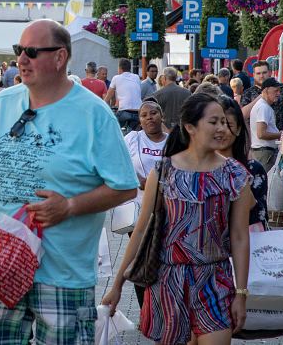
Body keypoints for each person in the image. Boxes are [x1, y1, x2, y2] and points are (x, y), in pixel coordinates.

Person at [0, 19, 138, 345]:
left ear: (60, 58)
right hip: (0, 264)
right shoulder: (2, 104)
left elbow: (124, 186)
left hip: (63, 274)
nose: (21, 60)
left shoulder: (94, 114)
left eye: (31, 52)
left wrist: (71, 206)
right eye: (20, 51)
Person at [102, 93, 253, 344]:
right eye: (213, 122)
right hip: (167, 284)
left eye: (224, 123)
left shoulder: (235, 174)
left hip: (215, 281)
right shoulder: (163, 171)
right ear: (190, 127)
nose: (222, 129)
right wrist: (117, 285)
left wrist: (241, 294)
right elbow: (141, 231)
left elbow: (239, 237)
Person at [122, 100, 168, 309]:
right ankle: (145, 311)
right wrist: (136, 179)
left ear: (161, 116)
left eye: (153, 113)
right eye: (144, 115)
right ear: (139, 120)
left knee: (162, 260)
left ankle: (162, 306)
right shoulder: (133, 138)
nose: (149, 117)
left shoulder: (173, 141)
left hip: (167, 211)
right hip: (138, 210)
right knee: (141, 259)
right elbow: (117, 161)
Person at [217, 96, 268, 231]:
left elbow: (259, 216)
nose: (220, 130)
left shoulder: (253, 169)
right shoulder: (195, 168)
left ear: (239, 129)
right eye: (213, 123)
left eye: (227, 124)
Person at [241, 61, 283, 131]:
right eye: (258, 73)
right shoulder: (248, 93)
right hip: (257, 136)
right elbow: (243, 115)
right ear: (253, 75)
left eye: (264, 73)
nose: (261, 76)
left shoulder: (281, 90)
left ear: (270, 72)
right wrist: (261, 98)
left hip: (278, 135)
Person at [250, 77, 283, 172]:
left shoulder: (263, 106)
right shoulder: (263, 107)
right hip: (264, 154)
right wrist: (280, 134)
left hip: (264, 153)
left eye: (279, 91)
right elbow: (261, 134)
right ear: (266, 90)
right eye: (276, 90)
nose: (278, 93)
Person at [106, 59, 143, 131]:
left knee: (114, 128)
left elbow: (108, 97)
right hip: (138, 111)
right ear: (130, 69)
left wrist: (103, 106)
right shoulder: (136, 77)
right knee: (134, 131)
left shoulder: (116, 78)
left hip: (124, 111)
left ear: (119, 69)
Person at [153, 66, 191, 131]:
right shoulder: (187, 92)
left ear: (164, 78)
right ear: (175, 77)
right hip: (182, 128)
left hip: (163, 129)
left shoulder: (157, 94)